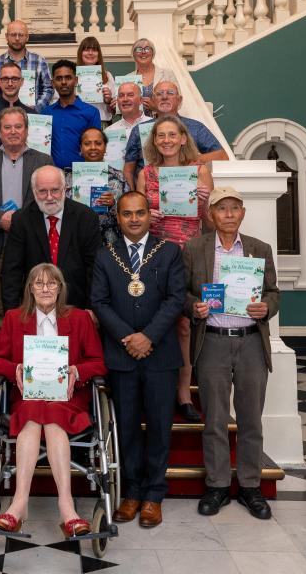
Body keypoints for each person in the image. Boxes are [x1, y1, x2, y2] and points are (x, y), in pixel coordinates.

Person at [0, 263, 106, 537]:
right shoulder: (15, 318)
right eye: (38, 284)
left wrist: (78, 371)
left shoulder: (79, 319)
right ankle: (20, 503)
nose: (45, 289)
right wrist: (13, 368)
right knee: (33, 411)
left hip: (68, 397)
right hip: (29, 395)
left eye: (52, 284)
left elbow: (98, 362)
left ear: (61, 288)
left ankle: (66, 506)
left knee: (50, 414)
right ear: (30, 289)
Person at [90, 191, 187, 529]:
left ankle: (154, 496)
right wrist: (128, 338)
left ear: (150, 215)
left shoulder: (170, 252)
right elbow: (99, 302)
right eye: (126, 214)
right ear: (118, 217)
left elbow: (176, 300)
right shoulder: (106, 255)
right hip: (121, 356)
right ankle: (131, 493)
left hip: (160, 355)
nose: (133, 219)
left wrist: (148, 336)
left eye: (139, 213)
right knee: (127, 427)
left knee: (160, 426)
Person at [184, 186, 280, 521]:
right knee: (214, 419)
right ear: (210, 215)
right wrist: (192, 306)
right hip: (212, 340)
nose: (227, 214)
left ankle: (251, 486)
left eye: (233, 208)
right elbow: (181, 292)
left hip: (251, 340)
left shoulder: (259, 249)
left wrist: (265, 307)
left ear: (242, 212)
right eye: (220, 208)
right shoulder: (195, 248)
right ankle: (218, 485)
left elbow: (273, 292)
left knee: (251, 417)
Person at [135, 116, 214, 423]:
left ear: (183, 138)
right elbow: (137, 219)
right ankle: (152, 389)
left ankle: (183, 393)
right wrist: (148, 217)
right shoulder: (148, 173)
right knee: (153, 320)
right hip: (155, 253)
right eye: (160, 136)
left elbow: (210, 222)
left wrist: (206, 204)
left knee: (184, 325)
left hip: (190, 254)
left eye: (172, 134)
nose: (166, 140)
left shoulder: (200, 171)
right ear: (154, 142)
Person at [0, 107, 52, 347]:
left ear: (26, 130)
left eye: (18, 127)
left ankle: (34, 366)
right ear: (0, 132)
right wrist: (0, 218)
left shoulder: (43, 161)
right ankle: (1, 368)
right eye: (7, 127)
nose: (13, 132)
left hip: (32, 246)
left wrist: (20, 221)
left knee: (36, 308)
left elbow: (49, 200)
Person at [1, 165, 101, 313]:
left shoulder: (86, 217)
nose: (49, 197)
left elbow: (94, 269)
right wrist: (13, 313)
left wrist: (91, 309)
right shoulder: (21, 220)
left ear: (64, 189)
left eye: (54, 190)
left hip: (77, 306)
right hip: (34, 308)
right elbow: (11, 271)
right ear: (34, 192)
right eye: (42, 191)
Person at [121, 81, 228, 185]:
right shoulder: (139, 130)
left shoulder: (195, 127)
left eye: (170, 93)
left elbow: (222, 156)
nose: (164, 97)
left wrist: (186, 161)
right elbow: (128, 170)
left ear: (179, 100)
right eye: (159, 94)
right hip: (148, 192)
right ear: (153, 100)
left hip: (186, 188)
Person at [64, 127, 129, 245]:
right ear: (81, 148)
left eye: (98, 143)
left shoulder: (119, 177)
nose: (93, 147)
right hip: (75, 240)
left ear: (105, 148)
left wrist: (113, 204)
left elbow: (128, 211)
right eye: (87, 144)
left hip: (110, 241)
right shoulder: (67, 177)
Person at [0, 20, 54, 111]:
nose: (17, 38)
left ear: (27, 37)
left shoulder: (40, 61)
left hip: (32, 118)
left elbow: (48, 89)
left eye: (21, 35)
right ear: (6, 37)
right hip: (0, 118)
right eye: (13, 35)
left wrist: (35, 109)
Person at [41, 59, 102, 171]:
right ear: (53, 83)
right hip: (53, 175)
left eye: (68, 77)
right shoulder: (46, 113)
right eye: (59, 78)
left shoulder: (91, 112)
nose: (64, 82)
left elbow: (97, 149)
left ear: (76, 80)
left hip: (82, 174)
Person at [0, 61, 37, 149]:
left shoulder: (32, 114)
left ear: (22, 82)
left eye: (14, 79)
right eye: (5, 79)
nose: (10, 84)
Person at [104, 81, 150, 167]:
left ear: (140, 100)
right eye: (121, 96)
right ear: (117, 101)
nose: (125, 99)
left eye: (130, 95)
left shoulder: (154, 126)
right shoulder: (108, 132)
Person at [129, 39, 177, 115]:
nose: (143, 52)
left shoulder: (168, 74)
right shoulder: (127, 79)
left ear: (153, 53)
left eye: (147, 49)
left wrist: (156, 108)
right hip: (136, 124)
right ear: (133, 54)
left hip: (162, 121)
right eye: (139, 49)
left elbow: (177, 102)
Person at [76, 36, 117, 122]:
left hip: (102, 121)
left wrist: (108, 101)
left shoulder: (107, 76)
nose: (90, 53)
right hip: (78, 121)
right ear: (80, 53)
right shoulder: (72, 76)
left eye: (94, 50)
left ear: (98, 54)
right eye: (86, 50)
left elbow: (114, 111)